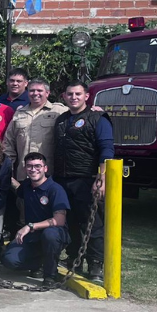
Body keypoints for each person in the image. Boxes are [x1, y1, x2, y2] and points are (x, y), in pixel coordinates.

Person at [53, 81, 114, 282]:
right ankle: (73, 258)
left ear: (87, 96)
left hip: (87, 180)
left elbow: (106, 149)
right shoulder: (61, 120)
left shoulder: (98, 118)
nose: (74, 97)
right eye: (70, 94)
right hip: (63, 180)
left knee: (92, 223)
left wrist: (102, 177)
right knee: (69, 222)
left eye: (78, 94)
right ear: (64, 97)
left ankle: (95, 265)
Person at [2, 152, 70, 287]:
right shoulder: (26, 186)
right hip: (32, 237)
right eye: (30, 166)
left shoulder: (55, 189)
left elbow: (59, 220)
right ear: (25, 168)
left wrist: (30, 226)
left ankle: (50, 274)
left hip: (54, 235)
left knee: (49, 234)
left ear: (45, 168)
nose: (33, 170)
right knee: (9, 260)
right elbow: (17, 189)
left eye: (38, 166)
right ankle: (40, 262)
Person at [3, 78, 67, 184]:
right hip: (24, 175)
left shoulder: (59, 111)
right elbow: (8, 144)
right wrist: (9, 170)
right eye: (32, 90)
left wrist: (94, 110)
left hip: (50, 175)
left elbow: (78, 113)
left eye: (39, 90)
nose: (35, 93)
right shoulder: (19, 114)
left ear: (47, 93)